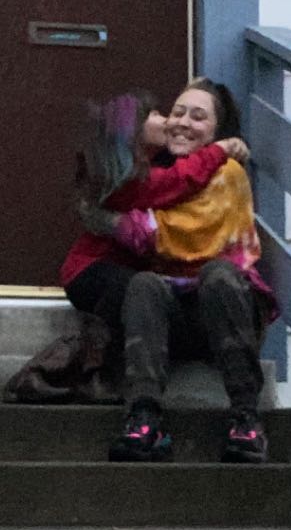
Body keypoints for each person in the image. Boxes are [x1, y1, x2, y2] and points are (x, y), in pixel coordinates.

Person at [59, 78, 276, 465]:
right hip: (171, 314)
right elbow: (145, 187)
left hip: (220, 311)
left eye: (198, 116)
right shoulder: (155, 169)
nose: (182, 122)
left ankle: (246, 419)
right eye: (177, 112)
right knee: (144, 283)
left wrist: (113, 223)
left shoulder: (226, 173)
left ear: (217, 131)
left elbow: (182, 236)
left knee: (218, 275)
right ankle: (144, 419)